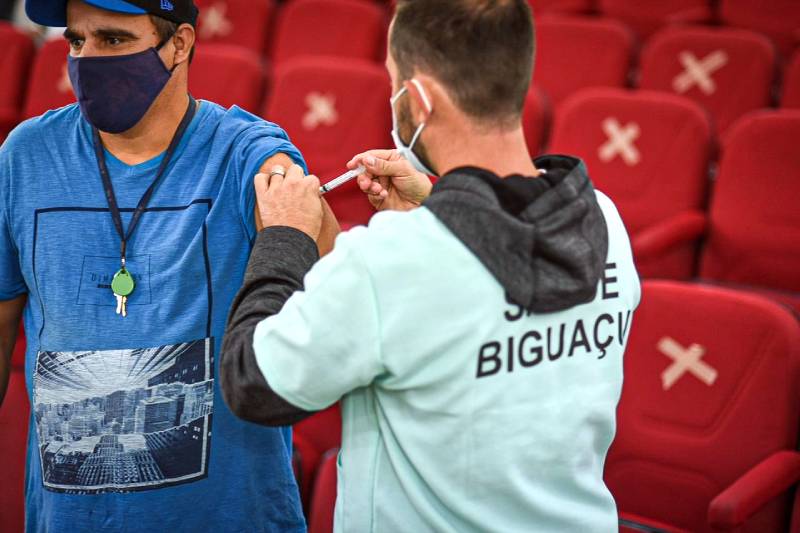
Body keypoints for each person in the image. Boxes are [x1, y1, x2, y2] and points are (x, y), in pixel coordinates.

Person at [221, 0, 641, 531]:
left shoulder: (391, 260)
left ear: (416, 100)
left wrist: (283, 236)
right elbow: (487, 283)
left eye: (394, 81)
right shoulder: (603, 220)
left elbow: (251, 382)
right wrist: (440, 206)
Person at [0, 0, 339, 531]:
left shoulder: (245, 152)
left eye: (113, 40)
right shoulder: (25, 158)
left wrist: (299, 213)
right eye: (75, 41)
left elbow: (330, 279)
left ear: (179, 44)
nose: (87, 59)